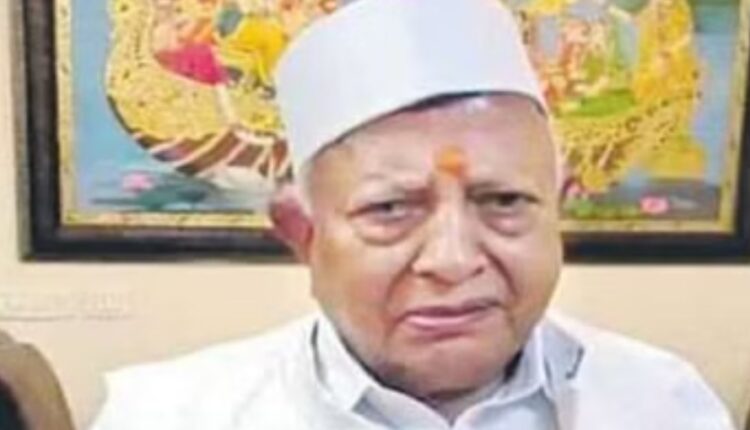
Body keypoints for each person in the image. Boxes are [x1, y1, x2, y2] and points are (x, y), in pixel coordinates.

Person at [90, 0, 736, 429]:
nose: (453, 261)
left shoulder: (663, 406)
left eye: (504, 201)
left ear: (558, 210)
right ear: (303, 234)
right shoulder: (167, 417)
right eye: (391, 209)